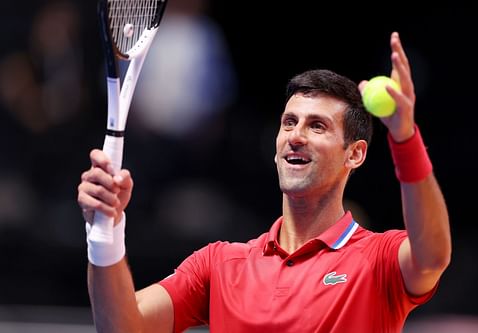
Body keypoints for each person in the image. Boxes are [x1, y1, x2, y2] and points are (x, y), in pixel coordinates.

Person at [77, 32, 451, 332]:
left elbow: (432, 255)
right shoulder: (220, 264)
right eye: (289, 122)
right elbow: (121, 326)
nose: (296, 135)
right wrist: (105, 232)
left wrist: (405, 138)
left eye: (317, 125)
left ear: (354, 154)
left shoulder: (377, 260)